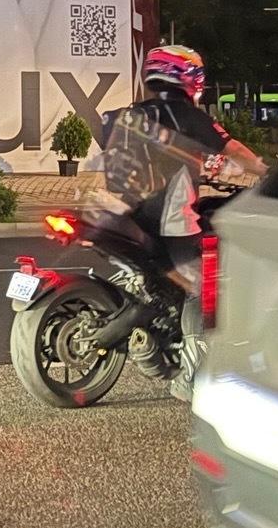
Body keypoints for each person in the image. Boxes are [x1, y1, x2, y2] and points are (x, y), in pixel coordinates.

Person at [103, 44, 268, 400]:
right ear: (189, 77)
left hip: (128, 217)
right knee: (200, 285)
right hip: (170, 220)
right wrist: (267, 173)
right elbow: (235, 151)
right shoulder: (187, 116)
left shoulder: (132, 113)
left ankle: (153, 338)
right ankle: (191, 376)